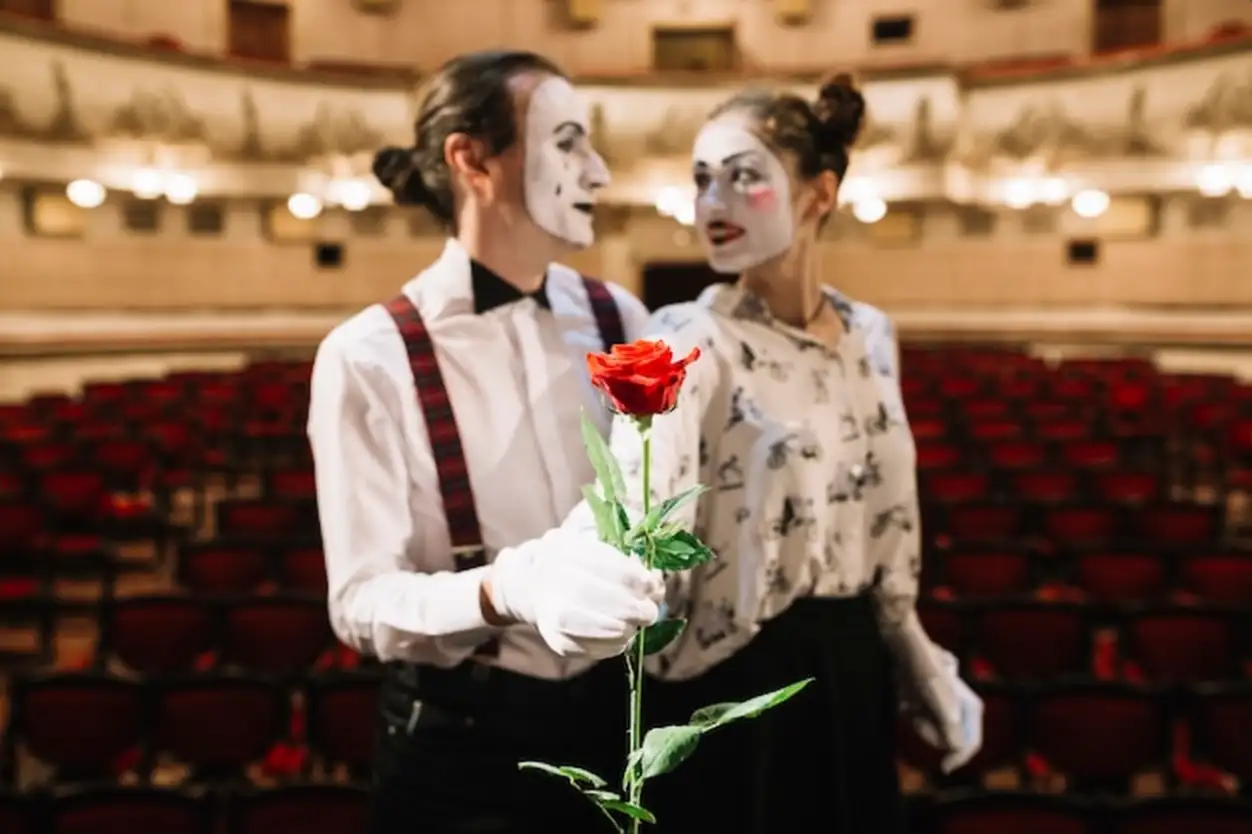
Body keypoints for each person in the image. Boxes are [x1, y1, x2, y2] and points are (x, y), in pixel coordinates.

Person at [565, 74, 983, 833]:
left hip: (852, 666)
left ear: (819, 193)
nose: (712, 202)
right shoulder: (686, 339)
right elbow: (635, 515)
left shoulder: (871, 334)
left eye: (742, 176)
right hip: (735, 680)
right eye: (701, 180)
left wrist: (924, 667)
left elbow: (887, 530)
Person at [307, 50, 664, 834]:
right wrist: (504, 591)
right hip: (459, 742)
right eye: (567, 141)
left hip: (617, 722)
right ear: (471, 159)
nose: (599, 172)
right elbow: (360, 601)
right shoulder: (367, 355)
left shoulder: (622, 319)